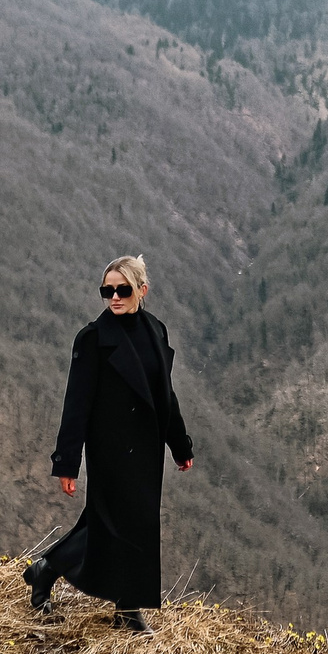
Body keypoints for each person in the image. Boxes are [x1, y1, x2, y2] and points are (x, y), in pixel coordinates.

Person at [26, 255, 194, 629]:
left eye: (123, 290)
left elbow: (165, 395)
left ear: (142, 291)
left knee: (131, 523)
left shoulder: (156, 330)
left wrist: (180, 445)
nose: (114, 297)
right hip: (110, 449)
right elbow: (77, 404)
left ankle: (49, 572)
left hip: (146, 448)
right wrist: (67, 462)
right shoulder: (92, 339)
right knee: (116, 524)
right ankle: (127, 609)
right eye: (107, 290)